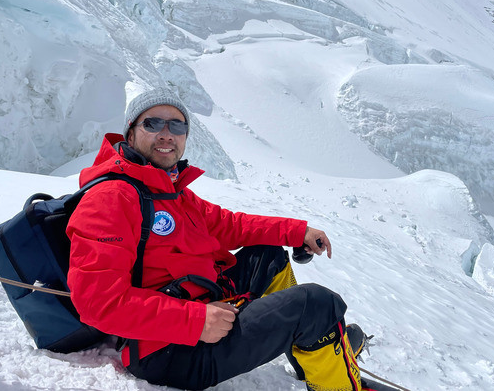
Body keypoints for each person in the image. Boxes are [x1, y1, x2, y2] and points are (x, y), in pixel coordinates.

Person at [66, 88, 368, 391]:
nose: (167, 134)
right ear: (130, 135)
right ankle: (324, 349)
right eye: (153, 124)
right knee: (316, 303)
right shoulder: (111, 198)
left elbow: (230, 225)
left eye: (177, 125)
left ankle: (310, 343)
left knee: (267, 256)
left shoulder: (169, 192)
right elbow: (98, 302)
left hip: (201, 309)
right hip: (168, 351)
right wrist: (194, 321)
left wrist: (296, 231)